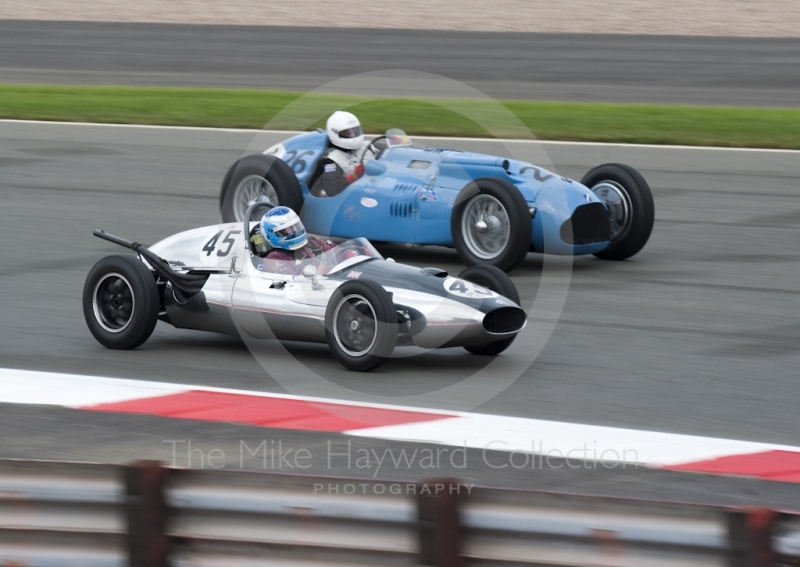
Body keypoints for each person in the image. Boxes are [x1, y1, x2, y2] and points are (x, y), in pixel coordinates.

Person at [311, 110, 374, 197]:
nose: (353, 135)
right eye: (348, 133)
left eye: (355, 131)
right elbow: (332, 190)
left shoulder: (367, 145)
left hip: (376, 186)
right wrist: (354, 176)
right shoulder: (331, 160)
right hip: (355, 197)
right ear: (335, 134)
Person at [250, 206, 335, 264]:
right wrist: (322, 269)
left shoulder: (314, 242)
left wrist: (347, 254)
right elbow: (299, 278)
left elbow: (338, 251)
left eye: (295, 225)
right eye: (287, 228)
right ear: (272, 235)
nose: (294, 229)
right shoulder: (275, 259)